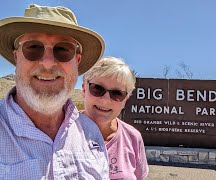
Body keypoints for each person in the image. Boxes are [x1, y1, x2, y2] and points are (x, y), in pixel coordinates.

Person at [0, 4, 109, 179]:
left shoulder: (91, 133)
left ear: (77, 60)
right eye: (33, 47)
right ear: (16, 57)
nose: (48, 63)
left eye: (63, 50)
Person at [82, 57, 149, 180]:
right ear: (84, 89)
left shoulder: (133, 137)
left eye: (117, 93)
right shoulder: (62, 131)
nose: (106, 100)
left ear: (125, 100)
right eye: (97, 88)